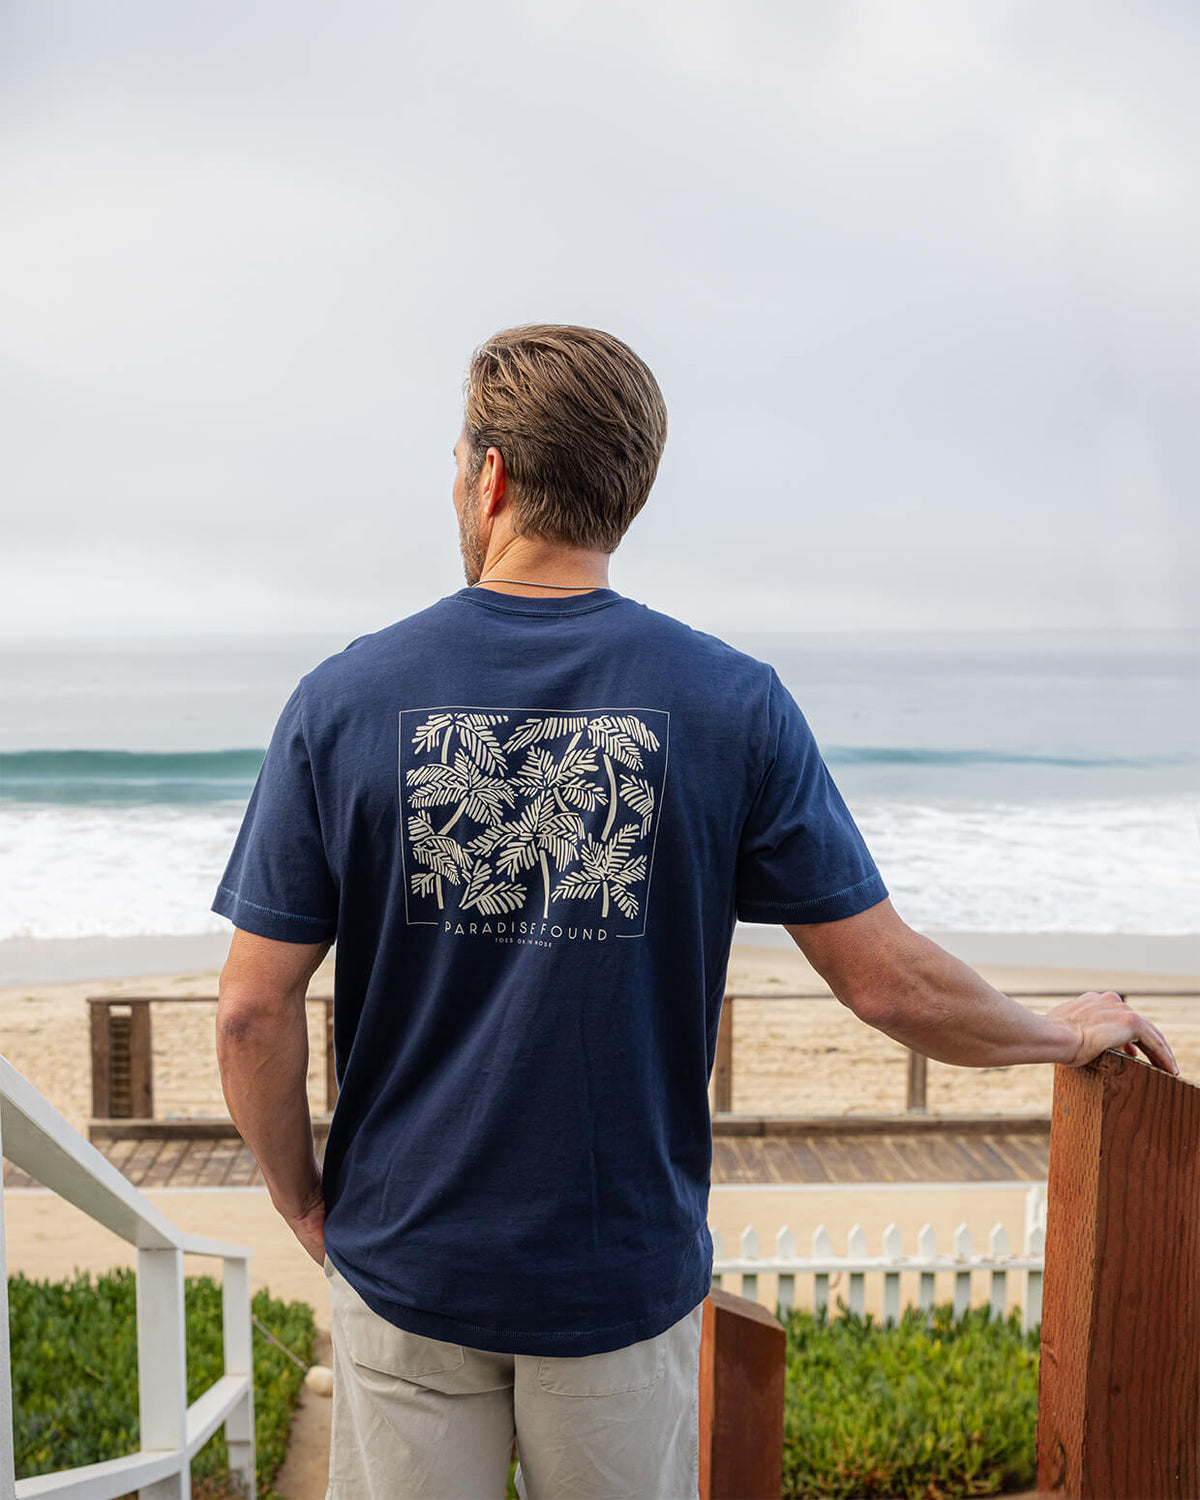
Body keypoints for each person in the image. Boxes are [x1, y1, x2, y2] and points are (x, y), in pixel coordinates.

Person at [212, 324, 1179, 1500]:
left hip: (409, 1258)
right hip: (616, 1278)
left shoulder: (345, 698)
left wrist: (307, 1202)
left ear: (492, 477)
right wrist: (1061, 1032)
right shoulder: (731, 704)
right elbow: (887, 982)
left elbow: (252, 1015)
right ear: (624, 495)